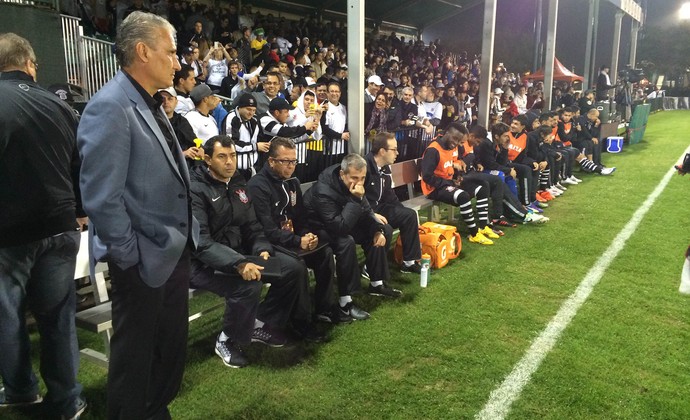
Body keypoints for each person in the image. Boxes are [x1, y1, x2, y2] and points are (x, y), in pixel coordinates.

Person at [77, 12, 200, 419]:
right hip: (143, 259)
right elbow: (101, 197)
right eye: (171, 52)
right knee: (134, 360)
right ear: (143, 51)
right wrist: (130, 254)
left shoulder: (149, 101)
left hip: (170, 253)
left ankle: (155, 410)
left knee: (167, 353)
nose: (178, 62)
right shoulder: (110, 106)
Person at [0, 33, 87, 419]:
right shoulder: (61, 106)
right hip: (62, 224)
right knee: (58, 317)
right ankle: (67, 400)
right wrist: (81, 210)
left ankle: (21, 391)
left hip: (10, 232)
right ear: (30, 64)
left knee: (7, 316)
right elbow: (80, 165)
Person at [190, 136, 321, 368]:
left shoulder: (238, 183)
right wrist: (238, 263)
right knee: (248, 285)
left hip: (239, 253)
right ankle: (227, 339)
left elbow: (252, 226)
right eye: (222, 157)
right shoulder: (195, 189)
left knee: (292, 268)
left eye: (233, 156)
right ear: (207, 159)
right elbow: (202, 243)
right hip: (202, 263)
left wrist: (261, 250)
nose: (229, 162)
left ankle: (260, 323)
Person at [247, 138, 339, 323]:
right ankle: (301, 322)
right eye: (285, 161)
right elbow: (268, 229)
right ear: (271, 161)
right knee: (298, 266)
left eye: (294, 161)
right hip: (269, 243)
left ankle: (325, 308)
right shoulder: (257, 185)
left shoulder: (292, 183)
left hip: (291, 239)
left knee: (325, 254)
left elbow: (300, 217)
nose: (291, 166)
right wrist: (298, 241)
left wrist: (306, 234)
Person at [304, 154, 401, 321]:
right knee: (346, 242)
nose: (359, 183)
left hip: (341, 221)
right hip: (316, 227)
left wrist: (377, 229)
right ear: (342, 175)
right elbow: (339, 227)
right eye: (354, 178)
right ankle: (345, 302)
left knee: (382, 229)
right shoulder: (324, 190)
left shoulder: (355, 183)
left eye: (362, 178)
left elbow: (365, 210)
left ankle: (376, 282)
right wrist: (356, 200)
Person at [420, 123, 496, 245]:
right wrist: (448, 182)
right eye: (455, 139)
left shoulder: (449, 147)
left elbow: (449, 167)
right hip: (434, 188)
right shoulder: (433, 150)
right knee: (463, 196)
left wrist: (457, 176)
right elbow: (427, 177)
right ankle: (474, 234)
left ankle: (483, 226)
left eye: (459, 141)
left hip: (448, 183)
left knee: (482, 188)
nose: (456, 143)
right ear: (446, 134)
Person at [365, 133, 423, 273]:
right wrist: (371, 214)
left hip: (379, 209)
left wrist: (403, 212)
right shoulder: (364, 167)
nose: (397, 153)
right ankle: (370, 268)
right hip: (364, 212)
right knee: (386, 228)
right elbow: (356, 198)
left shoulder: (384, 168)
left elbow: (389, 196)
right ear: (382, 151)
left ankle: (408, 262)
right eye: (394, 149)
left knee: (409, 215)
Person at [159, 86, 204, 165]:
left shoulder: (182, 121)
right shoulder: (154, 121)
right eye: (162, 99)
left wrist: (200, 149)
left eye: (170, 99)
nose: (166, 102)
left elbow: (193, 140)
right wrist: (183, 154)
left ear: (176, 101)